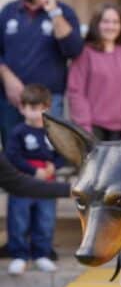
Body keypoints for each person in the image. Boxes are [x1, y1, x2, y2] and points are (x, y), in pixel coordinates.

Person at [0, 0, 84, 146]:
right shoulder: (8, 11)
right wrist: (6, 76)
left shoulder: (64, 12)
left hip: (49, 103)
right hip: (12, 101)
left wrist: (54, 12)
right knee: (13, 159)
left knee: (50, 155)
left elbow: (73, 50)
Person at [5, 84, 65, 275]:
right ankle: (20, 256)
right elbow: (12, 156)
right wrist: (32, 171)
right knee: (19, 220)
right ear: (22, 108)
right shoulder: (18, 132)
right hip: (23, 182)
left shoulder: (53, 132)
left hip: (48, 182)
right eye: (30, 108)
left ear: (47, 107)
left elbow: (64, 153)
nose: (35, 113)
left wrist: (54, 165)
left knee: (45, 219)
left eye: (40, 108)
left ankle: (42, 255)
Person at [67, 3, 121, 140]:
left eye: (115, 22)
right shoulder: (85, 53)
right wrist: (85, 129)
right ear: (97, 24)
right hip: (92, 128)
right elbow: (76, 92)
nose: (111, 26)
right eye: (106, 21)